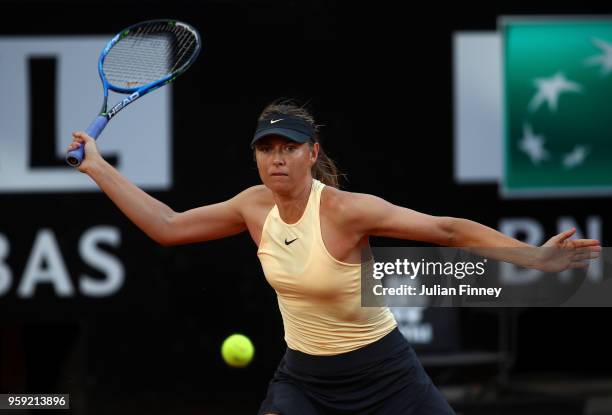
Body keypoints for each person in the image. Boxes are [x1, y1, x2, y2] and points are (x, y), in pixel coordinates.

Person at [68, 99, 601, 415]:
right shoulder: (252, 208)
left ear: (312, 153)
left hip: (385, 370)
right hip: (304, 377)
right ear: (255, 155)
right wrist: (97, 167)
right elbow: (167, 226)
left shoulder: (347, 211)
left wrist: (534, 259)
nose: (277, 158)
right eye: (266, 148)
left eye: (289, 147)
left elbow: (446, 228)